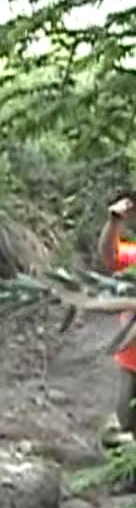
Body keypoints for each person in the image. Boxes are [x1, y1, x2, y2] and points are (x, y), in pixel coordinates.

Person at [98, 193, 136, 450]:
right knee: (126, 426)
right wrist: (114, 222)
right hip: (132, 360)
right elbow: (109, 255)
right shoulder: (133, 258)